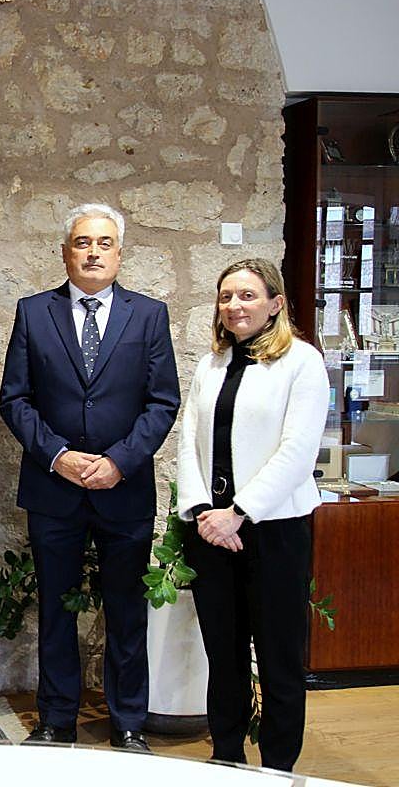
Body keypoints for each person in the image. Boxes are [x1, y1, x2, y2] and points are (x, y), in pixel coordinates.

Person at [0, 203, 179, 752]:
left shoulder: (149, 315)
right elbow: (15, 399)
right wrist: (59, 456)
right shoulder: (34, 312)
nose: (93, 252)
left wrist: (119, 462)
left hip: (124, 489)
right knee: (56, 608)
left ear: (120, 253)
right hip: (55, 487)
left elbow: (162, 402)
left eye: (104, 243)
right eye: (82, 243)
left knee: (126, 609)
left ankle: (128, 722)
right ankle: (56, 719)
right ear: (65, 253)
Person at [175, 258, 329, 772]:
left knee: (279, 656)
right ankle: (226, 757)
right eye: (226, 297)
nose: (234, 306)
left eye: (247, 295)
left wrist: (239, 513)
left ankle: (278, 768)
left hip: (274, 530)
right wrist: (203, 511)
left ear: (275, 304)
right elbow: (188, 444)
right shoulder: (211, 364)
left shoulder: (302, 362)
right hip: (210, 531)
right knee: (225, 656)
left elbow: (297, 452)